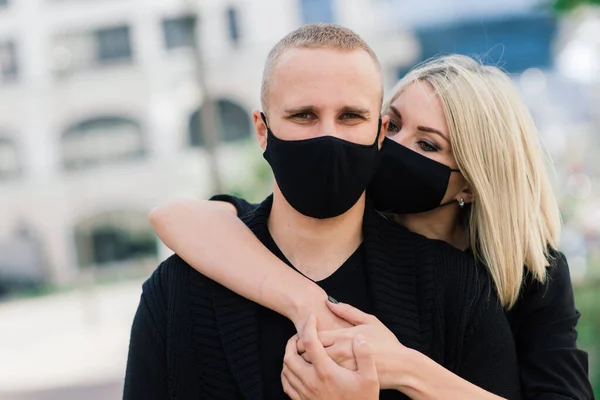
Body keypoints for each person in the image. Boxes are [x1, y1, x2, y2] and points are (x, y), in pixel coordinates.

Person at [150, 53, 594, 398]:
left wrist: (403, 367)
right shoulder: (340, 229)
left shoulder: (525, 273)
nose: (393, 147)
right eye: (392, 125)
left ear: (472, 184)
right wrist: (309, 302)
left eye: (426, 144)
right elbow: (177, 217)